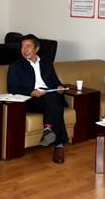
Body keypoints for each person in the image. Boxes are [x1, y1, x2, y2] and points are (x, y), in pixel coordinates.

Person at [7, 34, 68, 164]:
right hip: (31, 100)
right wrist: (31, 93)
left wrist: (59, 87)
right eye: (22, 47)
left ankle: (49, 131)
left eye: (28, 47)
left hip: (49, 98)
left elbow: (55, 80)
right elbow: (12, 88)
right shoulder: (16, 66)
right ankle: (58, 145)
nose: (25, 50)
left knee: (53, 98)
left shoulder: (47, 63)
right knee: (56, 104)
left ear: (37, 48)